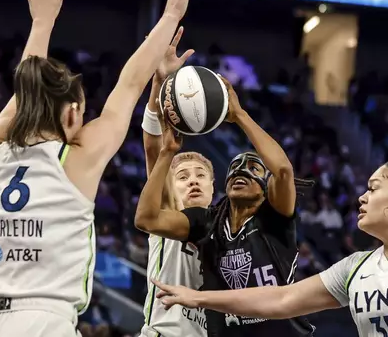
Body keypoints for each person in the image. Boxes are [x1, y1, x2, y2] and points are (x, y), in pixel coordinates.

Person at [0, 0, 193, 337]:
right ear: (71, 114)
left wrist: (41, 22)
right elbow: (129, 84)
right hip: (40, 321)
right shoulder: (74, 158)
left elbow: (26, 91)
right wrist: (170, 16)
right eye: (82, 111)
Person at [152, 159, 388, 337]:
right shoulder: (356, 267)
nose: (362, 196)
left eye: (373, 188)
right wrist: (197, 297)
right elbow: (280, 300)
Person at [135, 79, 315, 337]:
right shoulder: (204, 223)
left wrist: (239, 115)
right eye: (234, 168)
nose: (241, 170)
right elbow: (146, 214)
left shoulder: (273, 221)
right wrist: (160, 88)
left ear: (212, 187)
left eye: (253, 168)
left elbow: (283, 170)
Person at [138, 28, 212, 337]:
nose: (193, 181)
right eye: (183, 177)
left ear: (213, 187)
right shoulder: (169, 215)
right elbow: (154, 150)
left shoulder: (225, 230)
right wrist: (158, 84)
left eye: (200, 176)